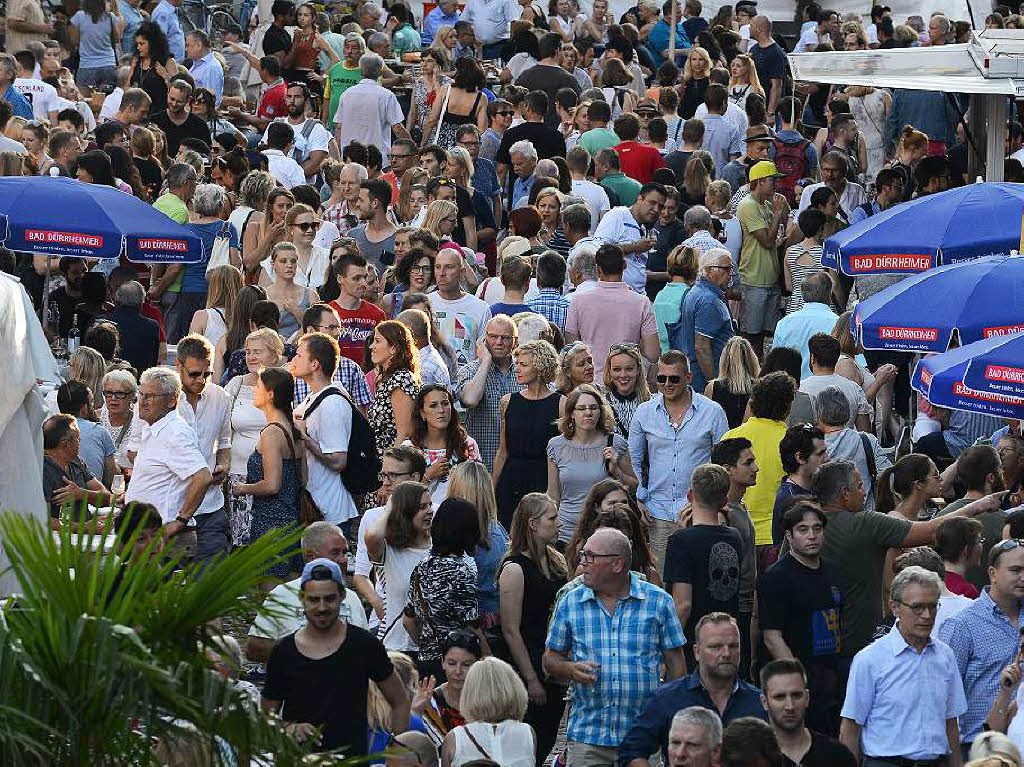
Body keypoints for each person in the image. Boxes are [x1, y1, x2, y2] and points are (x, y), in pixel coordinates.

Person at [813, 460, 1004, 660]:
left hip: (815, 645)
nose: (863, 493)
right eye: (860, 487)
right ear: (845, 493)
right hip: (860, 643)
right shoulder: (863, 523)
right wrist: (980, 505)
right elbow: (931, 530)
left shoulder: (805, 526)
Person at [544, 527, 688, 766]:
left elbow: (676, 665)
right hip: (587, 737)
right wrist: (570, 670)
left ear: (617, 564)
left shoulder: (658, 602)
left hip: (643, 737)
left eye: (590, 556)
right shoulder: (571, 602)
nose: (583, 563)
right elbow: (550, 659)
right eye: (583, 555)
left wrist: (668, 717)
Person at [262, 557, 411, 755]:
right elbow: (264, 719)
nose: (322, 607)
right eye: (314, 600)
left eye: (329, 599)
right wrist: (288, 728)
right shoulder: (284, 652)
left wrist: (397, 752)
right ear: (302, 599)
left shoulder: (364, 645)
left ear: (342, 596)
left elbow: (400, 701)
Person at [840, 566, 967, 767]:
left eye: (933, 606)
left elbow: (951, 723)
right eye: (917, 607)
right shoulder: (870, 660)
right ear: (895, 607)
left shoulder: (945, 656)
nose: (927, 615)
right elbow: (850, 726)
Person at [619, 612, 767, 766]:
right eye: (716, 647)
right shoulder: (669, 698)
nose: (726, 653)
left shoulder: (759, 702)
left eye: (733, 646)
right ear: (697, 652)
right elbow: (631, 751)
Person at [630, 351, 729, 570]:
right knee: (662, 580)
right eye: (661, 378)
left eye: (674, 378)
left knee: (700, 579)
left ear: (689, 378)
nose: (667, 384)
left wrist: (718, 507)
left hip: (700, 512)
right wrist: (640, 496)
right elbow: (633, 459)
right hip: (658, 512)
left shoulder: (712, 412)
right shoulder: (644, 412)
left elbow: (723, 464)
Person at [758, 502, 844, 736]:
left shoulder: (833, 571)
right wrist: (798, 679)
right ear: (790, 535)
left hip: (832, 680)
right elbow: (771, 637)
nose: (812, 536)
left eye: (817, 529)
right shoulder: (777, 577)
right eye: (803, 530)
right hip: (800, 684)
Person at [498, 493, 568, 766]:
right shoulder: (515, 568)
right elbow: (511, 630)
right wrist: (531, 679)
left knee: (549, 735)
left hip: (553, 660)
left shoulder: (555, 559)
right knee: (530, 742)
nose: (559, 523)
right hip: (529, 661)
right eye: (552, 518)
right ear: (533, 524)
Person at [940, 538, 1024, 753]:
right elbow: (944, 694)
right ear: (992, 573)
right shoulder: (962, 624)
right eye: (1015, 570)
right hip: (980, 747)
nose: (1023, 577)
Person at [246, 520, 368, 663]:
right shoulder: (282, 595)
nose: (343, 559)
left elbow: (366, 649)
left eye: (345, 552)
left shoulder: (352, 598)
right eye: (335, 552)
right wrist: (305, 651)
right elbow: (254, 649)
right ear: (311, 556)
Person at [231, 366, 303, 579]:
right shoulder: (295, 428)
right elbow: (304, 478)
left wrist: (241, 488)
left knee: (268, 591)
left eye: (258, 387)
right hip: (291, 517)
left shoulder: (272, 433)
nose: (254, 390)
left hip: (271, 521)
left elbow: (272, 484)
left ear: (270, 394)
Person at [123, 367, 212, 536]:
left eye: (150, 396)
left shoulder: (174, 433)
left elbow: (203, 477)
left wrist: (180, 521)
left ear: (172, 400)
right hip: (146, 534)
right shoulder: (155, 428)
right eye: (141, 394)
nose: (142, 401)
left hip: (164, 538)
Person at [404, 497, 482, 680]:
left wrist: (427, 644)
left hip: (427, 662)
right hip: (460, 666)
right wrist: (488, 659)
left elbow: (408, 620)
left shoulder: (422, 566)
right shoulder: (463, 570)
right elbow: (471, 625)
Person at [547, 383, 633, 543]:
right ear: (572, 413)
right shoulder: (556, 446)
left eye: (593, 408)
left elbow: (633, 486)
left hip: (604, 532)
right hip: (566, 534)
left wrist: (616, 472)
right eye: (582, 408)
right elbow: (553, 494)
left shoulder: (615, 443)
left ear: (600, 412)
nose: (588, 413)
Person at [289, 332, 358, 528]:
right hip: (317, 506)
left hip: (330, 511)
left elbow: (338, 460)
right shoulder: (314, 397)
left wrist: (305, 438)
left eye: (299, 355)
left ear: (315, 364)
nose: (294, 359)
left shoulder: (332, 403)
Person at [722, 371, 795, 552]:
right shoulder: (791, 441)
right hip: (776, 536)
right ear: (787, 406)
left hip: (735, 531)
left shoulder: (731, 437)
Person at [493, 340, 562, 528]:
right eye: (517, 364)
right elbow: (502, 451)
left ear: (540, 367)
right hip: (511, 480)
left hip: (544, 478)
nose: (517, 369)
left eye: (523, 365)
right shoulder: (508, 402)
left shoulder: (561, 404)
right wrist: (492, 487)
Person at [565, 244, 659, 379]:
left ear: (598, 269)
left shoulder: (578, 301)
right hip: (628, 381)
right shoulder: (642, 302)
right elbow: (652, 353)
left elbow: (571, 347)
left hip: (592, 383)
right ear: (625, 265)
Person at [736, 160, 789, 358]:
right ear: (759, 181)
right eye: (772, 180)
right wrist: (777, 214)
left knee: (765, 334)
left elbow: (774, 238)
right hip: (754, 279)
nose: (776, 184)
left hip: (770, 278)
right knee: (751, 335)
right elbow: (766, 240)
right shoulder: (748, 206)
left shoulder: (767, 205)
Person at [760, 659, 857, 767]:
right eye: (779, 697)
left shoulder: (837, 755)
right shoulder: (748, 758)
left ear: (807, 698)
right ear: (765, 702)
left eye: (796, 695)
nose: (790, 706)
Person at [937, 444, 1008, 590]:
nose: (1003, 473)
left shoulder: (942, 516)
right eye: (1001, 469)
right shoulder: (1004, 522)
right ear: (991, 477)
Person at [457, 314, 523, 473]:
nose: (499, 342)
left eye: (505, 337)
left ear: (515, 342)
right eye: (493, 337)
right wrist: (486, 361)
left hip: (517, 460)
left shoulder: (523, 371)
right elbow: (470, 400)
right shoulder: (470, 370)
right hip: (482, 462)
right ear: (484, 339)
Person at [407, 384, 480, 505]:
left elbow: (478, 488)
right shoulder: (410, 448)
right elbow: (402, 496)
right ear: (422, 413)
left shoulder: (467, 445)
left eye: (445, 404)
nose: (441, 410)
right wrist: (428, 475)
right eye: (433, 406)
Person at [676, 248, 735, 394]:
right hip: (705, 381)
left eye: (731, 268)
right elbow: (701, 347)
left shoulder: (696, 291)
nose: (731, 273)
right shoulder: (709, 300)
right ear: (708, 271)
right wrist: (714, 385)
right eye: (726, 269)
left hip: (697, 376)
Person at [334, 53, 410, 165]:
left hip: (350, 160)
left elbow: (339, 128)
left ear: (361, 71)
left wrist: (340, 157)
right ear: (380, 72)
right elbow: (398, 128)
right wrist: (411, 149)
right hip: (378, 161)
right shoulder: (386, 95)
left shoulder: (346, 94)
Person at [42, 414, 114, 527]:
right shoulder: (42, 469)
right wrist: (83, 527)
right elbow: (42, 519)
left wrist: (81, 493)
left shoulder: (76, 462)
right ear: (65, 444)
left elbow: (106, 497)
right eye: (78, 438)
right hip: (62, 540)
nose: (80, 442)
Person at [417, 630, 484, 745]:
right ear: (442, 662)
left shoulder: (489, 700)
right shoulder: (430, 702)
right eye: (452, 663)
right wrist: (414, 712)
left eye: (467, 665)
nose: (458, 671)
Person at [429, 248, 492, 370]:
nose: (442, 273)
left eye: (449, 267)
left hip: (467, 380)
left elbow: (485, 353)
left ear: (462, 272)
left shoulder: (480, 308)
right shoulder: (425, 303)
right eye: (437, 267)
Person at [368, 320, 420, 457]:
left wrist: (391, 467)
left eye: (377, 341)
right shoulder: (386, 379)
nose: (371, 346)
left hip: (394, 464)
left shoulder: (401, 379)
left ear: (393, 348)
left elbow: (405, 433)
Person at [772, 273, 839, 381]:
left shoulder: (785, 323)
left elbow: (775, 363)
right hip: (829, 389)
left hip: (793, 390)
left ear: (802, 295)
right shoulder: (838, 323)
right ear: (829, 294)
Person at [327, 250, 386, 367]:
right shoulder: (327, 313)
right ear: (340, 279)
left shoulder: (377, 314)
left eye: (364, 277)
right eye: (356, 278)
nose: (363, 283)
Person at [801, 335, 873, 432]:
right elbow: (865, 432)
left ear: (813, 358)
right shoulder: (854, 388)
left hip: (813, 445)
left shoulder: (801, 388)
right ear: (836, 358)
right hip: (847, 445)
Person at [773, 425, 828, 544]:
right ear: (800, 458)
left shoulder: (816, 487)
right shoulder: (789, 499)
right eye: (820, 454)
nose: (827, 458)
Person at [104, 280, 160, 374]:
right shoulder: (151, 326)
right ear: (141, 302)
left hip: (108, 376)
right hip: (138, 378)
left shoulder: (105, 322)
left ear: (117, 300)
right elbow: (153, 361)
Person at [600, 343, 653, 441]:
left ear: (638, 370)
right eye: (617, 369)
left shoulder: (653, 403)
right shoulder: (600, 404)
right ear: (610, 371)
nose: (623, 375)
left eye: (629, 369)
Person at [98, 369, 140, 471]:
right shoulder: (97, 419)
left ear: (131, 396)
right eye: (108, 392)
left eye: (120, 393)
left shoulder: (139, 424)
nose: (113, 398)